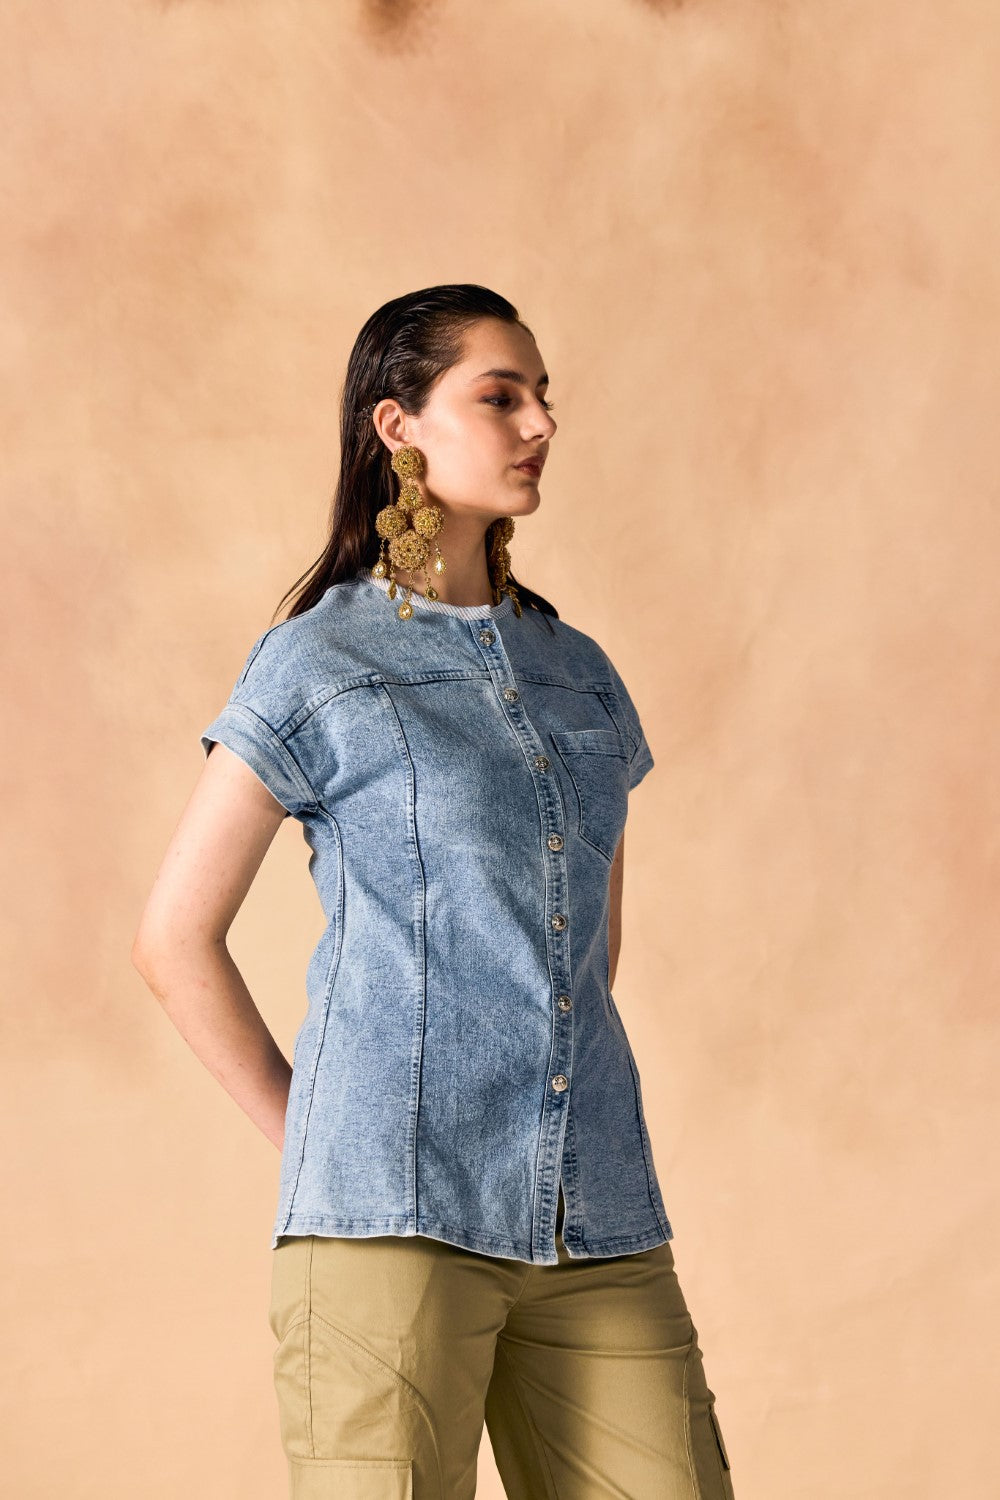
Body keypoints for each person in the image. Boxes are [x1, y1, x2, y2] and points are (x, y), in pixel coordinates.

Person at [132, 284, 735, 1499]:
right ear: (396, 424)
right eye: (499, 397)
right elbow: (174, 938)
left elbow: (583, 953)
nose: (539, 424)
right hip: (388, 1220)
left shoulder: (578, 673)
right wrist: (321, 1140)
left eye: (542, 398)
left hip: (592, 1211)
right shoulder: (321, 659)